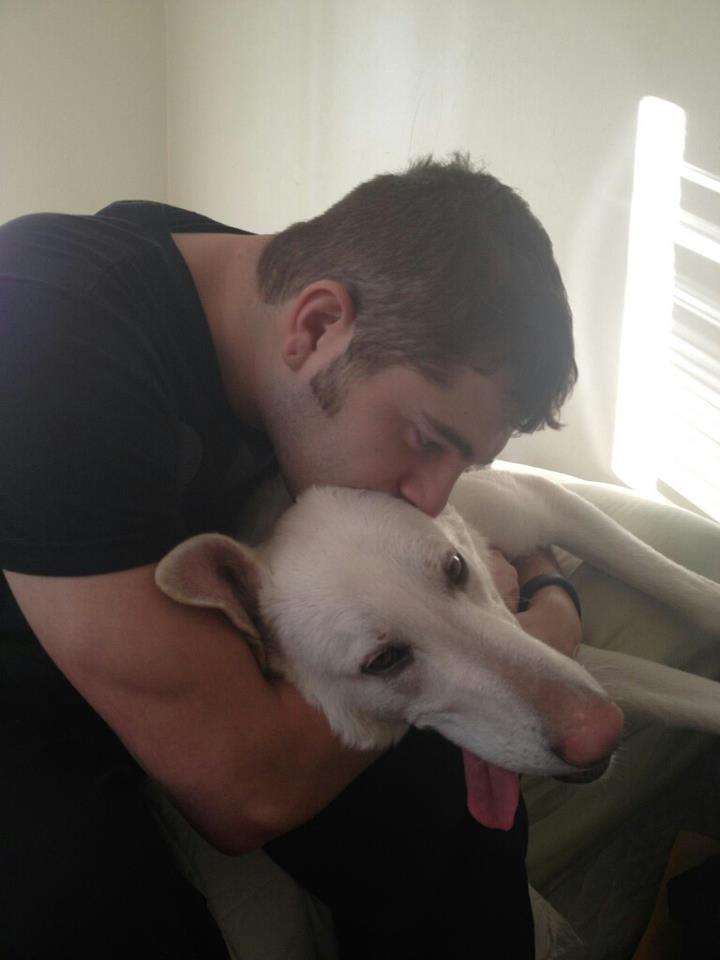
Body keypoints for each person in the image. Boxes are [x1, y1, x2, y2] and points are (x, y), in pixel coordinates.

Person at [0, 154, 582, 958]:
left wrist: (539, 583)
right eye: (426, 439)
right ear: (313, 327)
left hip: (170, 656)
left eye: (464, 463)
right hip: (21, 703)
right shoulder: (49, 324)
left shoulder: (275, 300)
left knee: (445, 795)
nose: (432, 502)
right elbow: (245, 790)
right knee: (91, 915)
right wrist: (545, 621)